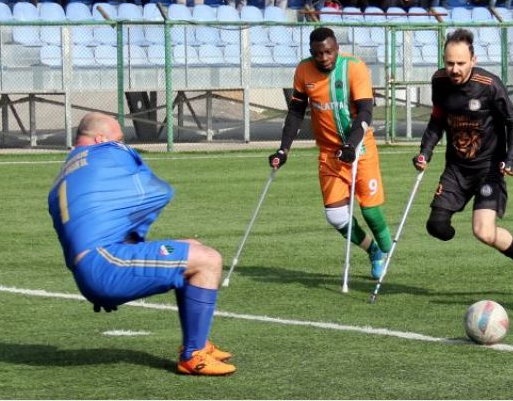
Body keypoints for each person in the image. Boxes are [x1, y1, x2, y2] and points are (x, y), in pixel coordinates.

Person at [48, 112, 236, 375]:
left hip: (91, 267)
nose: (123, 143)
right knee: (209, 260)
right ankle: (194, 355)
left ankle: (199, 342)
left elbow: (79, 234)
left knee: (192, 247)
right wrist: (135, 239)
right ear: (101, 138)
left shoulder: (64, 176)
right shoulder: (108, 151)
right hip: (105, 263)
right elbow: (158, 191)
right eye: (119, 138)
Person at [413, 29, 513, 295]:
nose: (454, 69)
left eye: (460, 63)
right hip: (456, 169)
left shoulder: (488, 84)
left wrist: (512, 159)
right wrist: (425, 152)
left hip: (488, 170)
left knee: (483, 231)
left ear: (473, 59)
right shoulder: (439, 81)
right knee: (437, 227)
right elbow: (437, 119)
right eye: (449, 63)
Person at [269, 27, 393, 279]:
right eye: (318, 53)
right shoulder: (304, 71)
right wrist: (283, 149)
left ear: (336, 48)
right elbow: (295, 112)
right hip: (329, 153)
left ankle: (389, 249)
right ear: (311, 53)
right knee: (336, 217)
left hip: (361, 148)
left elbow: (366, 112)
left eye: (328, 52)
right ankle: (374, 251)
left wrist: (351, 144)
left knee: (369, 210)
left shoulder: (354, 67)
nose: (324, 57)